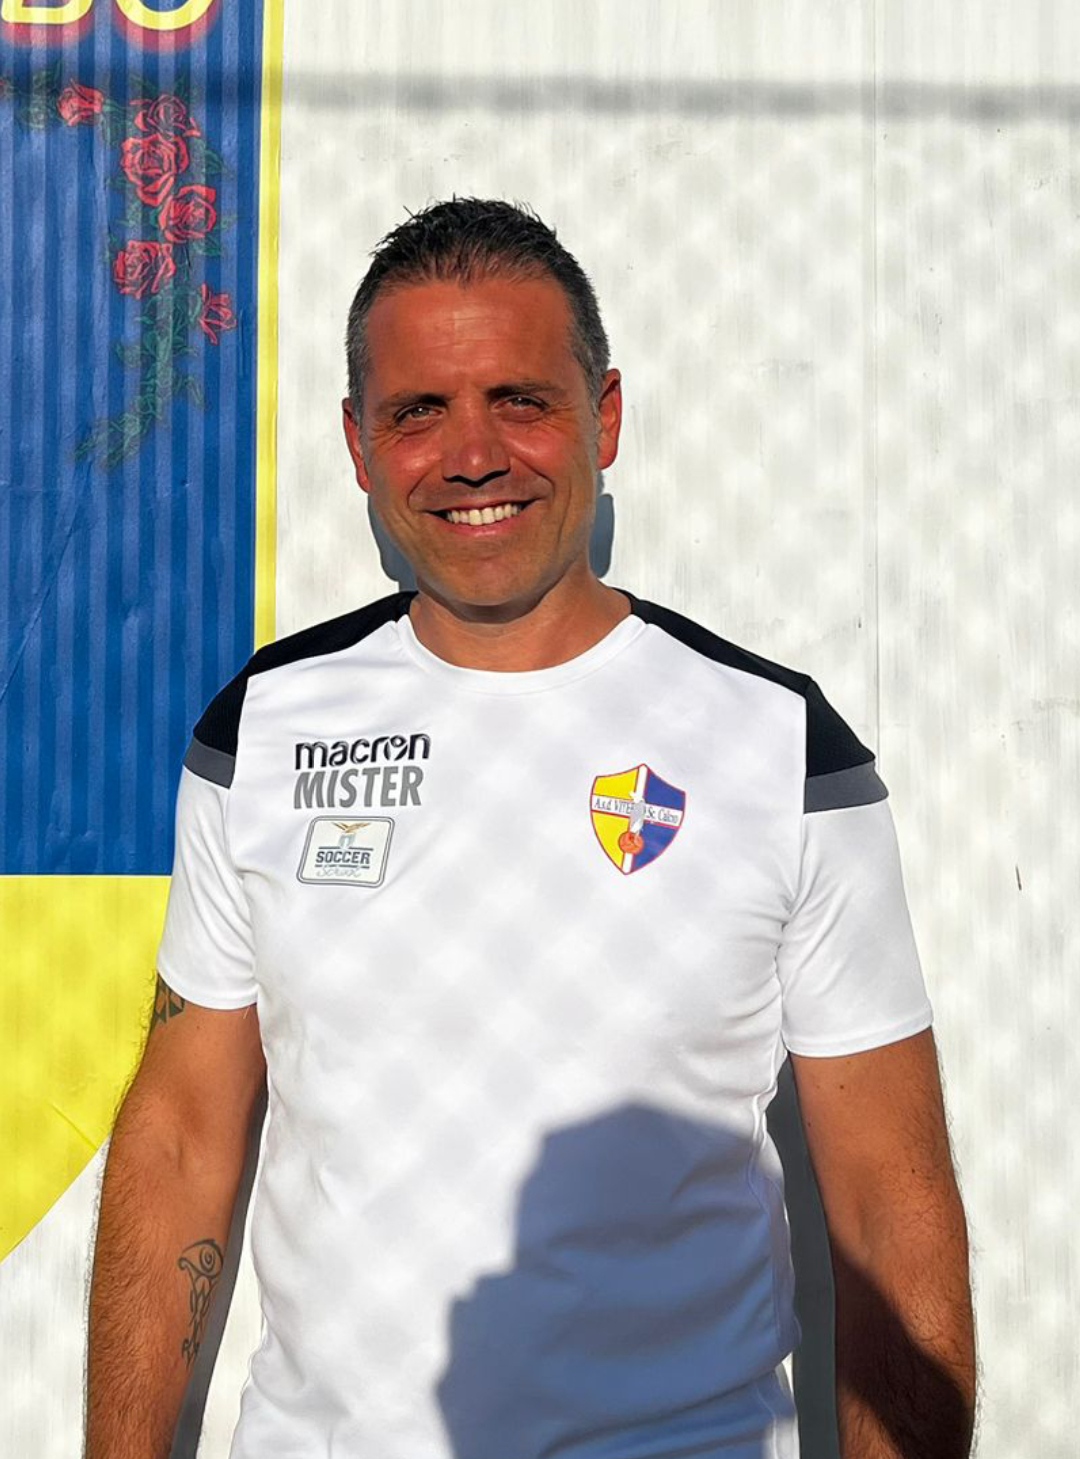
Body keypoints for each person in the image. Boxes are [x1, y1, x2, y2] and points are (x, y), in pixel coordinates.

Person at [85, 198, 976, 1459]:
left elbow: (892, 1206)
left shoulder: (781, 748)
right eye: (418, 411)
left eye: (520, 400)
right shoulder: (263, 730)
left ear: (604, 417)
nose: (472, 455)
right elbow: (179, 1138)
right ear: (357, 443)